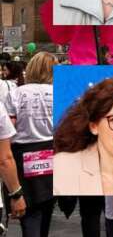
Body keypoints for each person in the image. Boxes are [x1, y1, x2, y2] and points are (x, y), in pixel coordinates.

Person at [5, 52, 57, 237]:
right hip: (53, 154)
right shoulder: (59, 92)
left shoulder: (15, 94)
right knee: (47, 208)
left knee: (30, 215)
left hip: (22, 155)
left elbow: (8, 130)